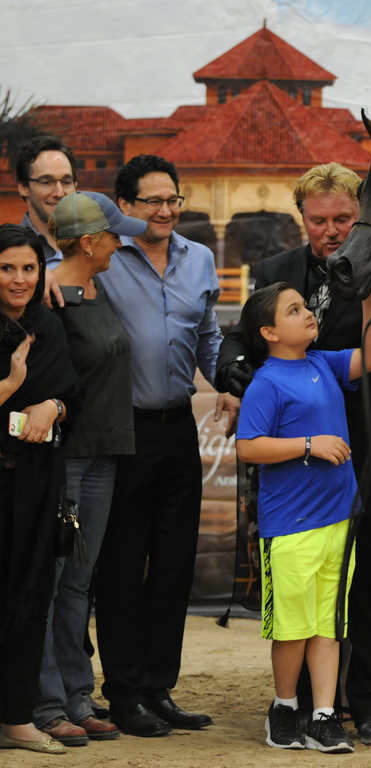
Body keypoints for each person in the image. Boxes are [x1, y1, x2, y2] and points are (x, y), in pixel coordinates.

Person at [216, 162, 371, 745]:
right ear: (303, 219)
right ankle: (311, 705)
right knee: (305, 583)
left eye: (343, 217)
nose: (332, 230)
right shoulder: (272, 273)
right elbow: (237, 340)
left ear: (359, 213)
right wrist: (242, 381)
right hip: (297, 457)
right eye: (319, 220)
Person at [81, 155, 240, 737]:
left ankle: (158, 687)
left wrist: (225, 382)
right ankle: (123, 693)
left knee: (174, 564)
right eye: (152, 201)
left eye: (173, 199)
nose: (167, 210)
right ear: (124, 206)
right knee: (122, 565)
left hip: (180, 429)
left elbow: (208, 335)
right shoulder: (102, 257)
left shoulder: (199, 257)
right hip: (120, 430)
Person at [235, 278, 371, 753]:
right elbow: (248, 447)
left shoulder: (323, 362)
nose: (307, 314)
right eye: (293, 310)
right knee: (292, 627)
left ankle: (323, 716)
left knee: (329, 624)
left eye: (305, 307)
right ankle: (283, 708)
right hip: (289, 526)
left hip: (339, 519)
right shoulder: (266, 382)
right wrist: (308, 445)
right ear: (270, 333)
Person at [32, 192, 146, 747]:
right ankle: (48, 701)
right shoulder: (51, 297)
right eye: (112, 234)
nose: (121, 242)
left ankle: (77, 696)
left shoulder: (98, 289)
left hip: (104, 454)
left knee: (78, 582)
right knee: (54, 583)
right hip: (68, 458)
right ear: (88, 242)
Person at [0, 224, 81, 755]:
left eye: (29, 268)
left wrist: (53, 406)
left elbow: (66, 394)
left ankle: (15, 717)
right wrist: (9, 387)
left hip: (33, 484)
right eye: (6, 267)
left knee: (29, 597)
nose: (19, 279)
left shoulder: (47, 326)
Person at [16, 135, 78, 263]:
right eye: (46, 182)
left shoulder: (96, 246)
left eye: (66, 182)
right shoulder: (7, 250)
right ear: (23, 187)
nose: (59, 193)